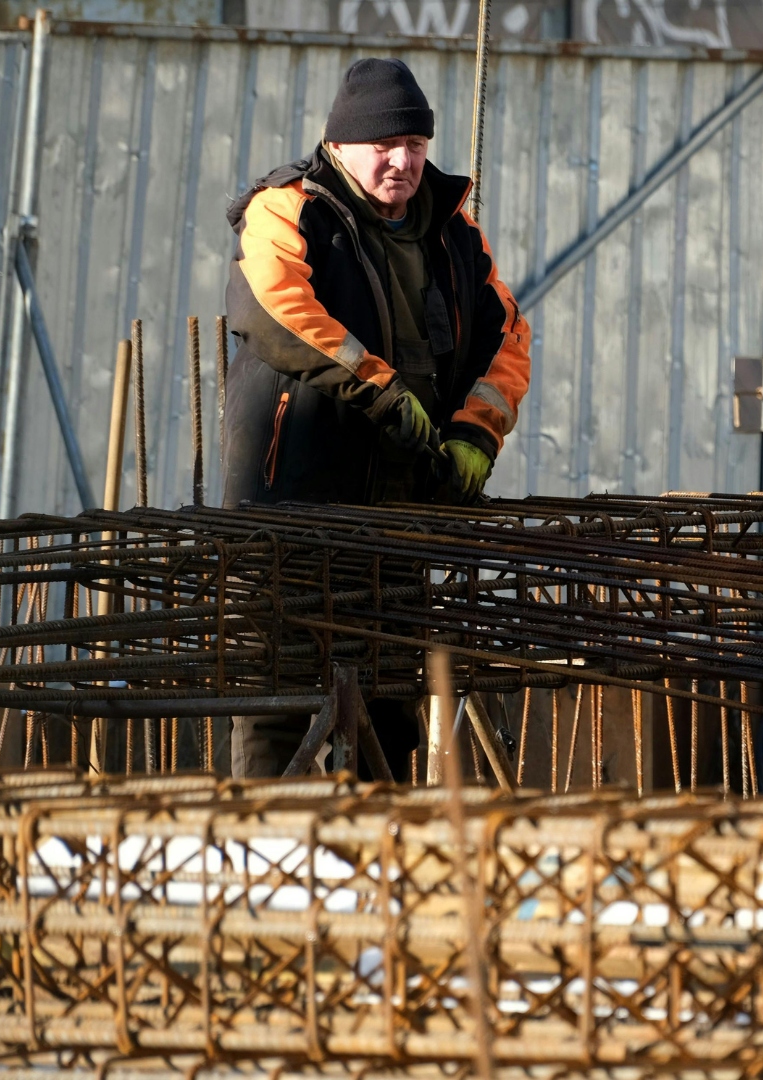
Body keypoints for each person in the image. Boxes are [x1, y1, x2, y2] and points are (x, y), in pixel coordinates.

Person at [222, 58, 533, 778]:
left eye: (416, 146)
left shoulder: (455, 233)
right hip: (293, 508)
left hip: (403, 513)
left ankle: (374, 864)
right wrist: (382, 390)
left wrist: (473, 435)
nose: (402, 161)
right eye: (384, 146)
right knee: (282, 695)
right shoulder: (291, 207)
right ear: (340, 145)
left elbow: (508, 337)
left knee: (389, 707)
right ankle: (265, 865)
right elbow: (274, 304)